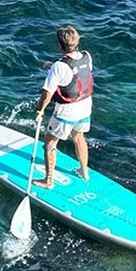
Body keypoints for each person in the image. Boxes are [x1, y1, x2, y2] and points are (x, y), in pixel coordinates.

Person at [33, 25, 94, 187]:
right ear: (77, 40)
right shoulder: (87, 57)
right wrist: (53, 66)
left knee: (49, 144)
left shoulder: (58, 67)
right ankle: (84, 172)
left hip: (67, 112)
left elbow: (47, 93)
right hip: (85, 107)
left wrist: (40, 110)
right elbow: (75, 70)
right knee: (78, 137)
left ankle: (48, 180)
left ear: (60, 45)